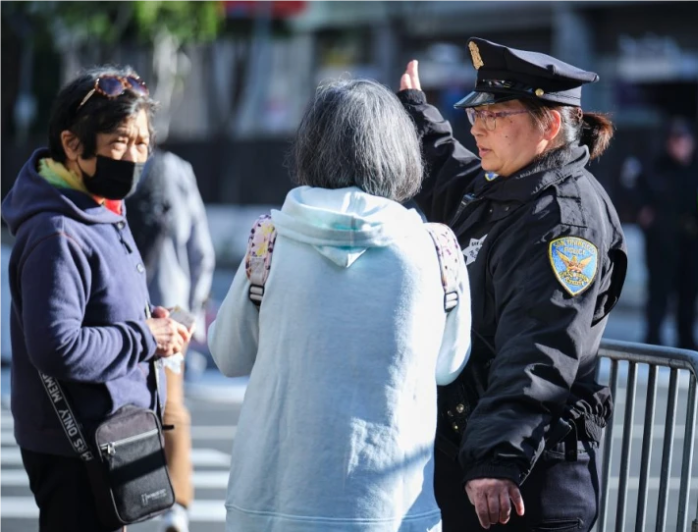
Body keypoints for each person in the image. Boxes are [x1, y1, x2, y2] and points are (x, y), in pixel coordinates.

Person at [207, 79, 472, 532]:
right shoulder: (436, 249)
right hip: (390, 505)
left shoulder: (270, 239)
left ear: (311, 146)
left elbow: (229, 356)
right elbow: (448, 366)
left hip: (274, 502)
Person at [397, 37, 628, 531]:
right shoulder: (510, 185)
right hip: (481, 461)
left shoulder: (564, 221)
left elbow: (538, 347)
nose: (476, 126)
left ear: (549, 125)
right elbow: (448, 176)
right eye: (476, 113)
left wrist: (498, 456)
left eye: (495, 114)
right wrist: (415, 115)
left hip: (527, 481)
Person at [0, 66, 191, 531]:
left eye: (142, 143)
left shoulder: (100, 208)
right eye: (119, 142)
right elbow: (57, 346)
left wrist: (149, 322)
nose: (133, 156)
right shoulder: (57, 232)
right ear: (72, 144)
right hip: (75, 448)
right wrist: (144, 336)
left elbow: (99, 311)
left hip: (111, 434)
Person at [126, 147, 216, 532]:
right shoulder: (173, 172)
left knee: (165, 407)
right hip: (154, 309)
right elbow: (202, 252)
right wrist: (191, 313)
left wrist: (188, 317)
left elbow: (202, 253)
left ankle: (171, 502)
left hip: (147, 310)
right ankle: (166, 503)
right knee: (162, 409)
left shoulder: (122, 166)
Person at [637, 118, 698, 351]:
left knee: (690, 293)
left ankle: (687, 340)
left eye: (684, 140)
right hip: (663, 242)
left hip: (694, 241)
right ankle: (653, 339)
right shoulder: (656, 167)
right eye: (675, 141)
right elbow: (637, 195)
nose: (680, 146)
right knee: (659, 292)